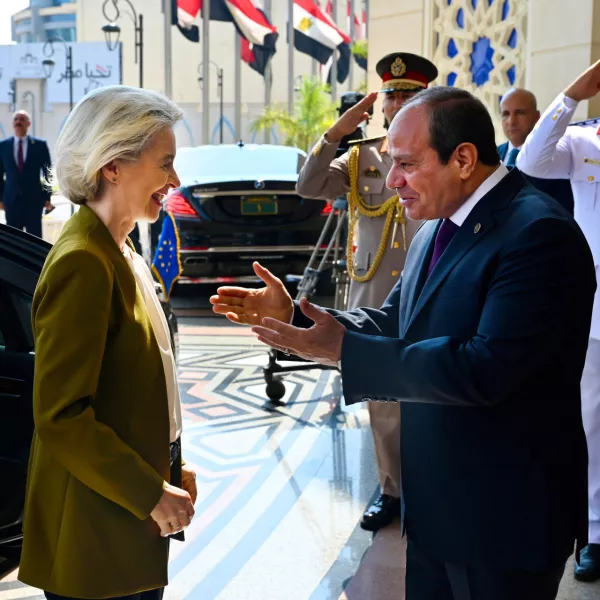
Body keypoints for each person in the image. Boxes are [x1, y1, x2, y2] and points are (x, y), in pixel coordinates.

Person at [211, 86, 594, 600]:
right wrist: (302, 320)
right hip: (436, 511)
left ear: (462, 159)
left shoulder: (537, 233)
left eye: (407, 165)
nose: (392, 182)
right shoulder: (437, 228)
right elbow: (397, 321)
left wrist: (343, 351)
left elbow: (486, 369)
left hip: (502, 521)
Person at [18, 86, 197, 600]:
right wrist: (149, 491)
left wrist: (168, 467)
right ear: (113, 164)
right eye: (165, 164)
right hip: (94, 533)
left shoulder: (119, 251)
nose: (174, 180)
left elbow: (134, 385)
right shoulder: (84, 262)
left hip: (122, 517)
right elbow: (63, 416)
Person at [296, 52, 437, 533]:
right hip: (375, 292)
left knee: (437, 391)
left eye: (408, 94)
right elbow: (308, 184)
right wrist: (336, 133)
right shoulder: (361, 157)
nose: (398, 102)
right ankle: (392, 489)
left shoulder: (441, 150)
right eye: (392, 95)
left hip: (430, 288)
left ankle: (433, 486)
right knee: (385, 401)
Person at [516, 60, 600, 583]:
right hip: (596, 312)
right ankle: (594, 531)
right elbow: (532, 160)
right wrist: (572, 93)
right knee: (591, 423)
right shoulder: (586, 141)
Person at [498, 88, 574, 214]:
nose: (511, 121)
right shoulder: (492, 155)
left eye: (520, 113)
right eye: (505, 114)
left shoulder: (556, 157)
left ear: (537, 116)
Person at [0, 110, 55, 237]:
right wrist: (0, 198)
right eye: (16, 119)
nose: (18, 122)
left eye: (22, 119)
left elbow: (48, 173)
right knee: (12, 240)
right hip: (11, 201)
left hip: (34, 201)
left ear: (28, 123)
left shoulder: (40, 145)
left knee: (35, 240)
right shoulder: (3, 146)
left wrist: (47, 197)